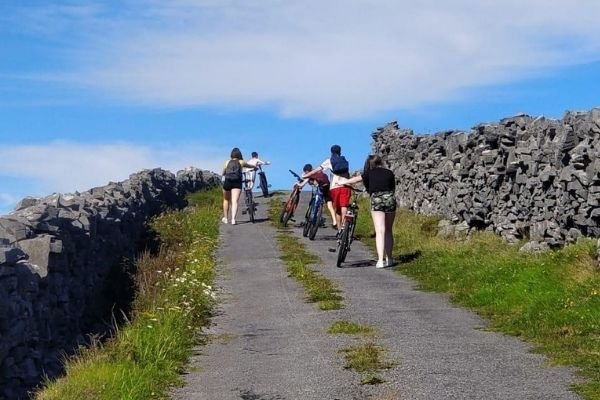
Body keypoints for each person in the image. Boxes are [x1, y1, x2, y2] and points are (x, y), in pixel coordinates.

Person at [339, 155, 396, 269]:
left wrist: (343, 182)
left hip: (376, 199)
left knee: (380, 231)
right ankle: (389, 259)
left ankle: (380, 260)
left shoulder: (369, 173)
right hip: (389, 198)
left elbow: (356, 179)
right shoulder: (389, 173)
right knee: (388, 230)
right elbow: (392, 187)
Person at [303, 145, 351, 232]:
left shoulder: (329, 161)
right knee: (344, 206)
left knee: (337, 209)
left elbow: (317, 170)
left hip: (334, 187)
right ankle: (345, 226)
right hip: (346, 186)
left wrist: (307, 175)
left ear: (331, 152)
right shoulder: (344, 161)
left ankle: (340, 230)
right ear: (340, 152)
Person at [222, 148, 255, 225]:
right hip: (237, 182)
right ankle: (233, 219)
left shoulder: (227, 162)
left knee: (226, 200)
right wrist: (254, 167)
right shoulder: (241, 162)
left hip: (228, 181)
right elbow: (249, 166)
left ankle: (226, 218)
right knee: (235, 201)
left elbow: (223, 173)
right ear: (239, 154)